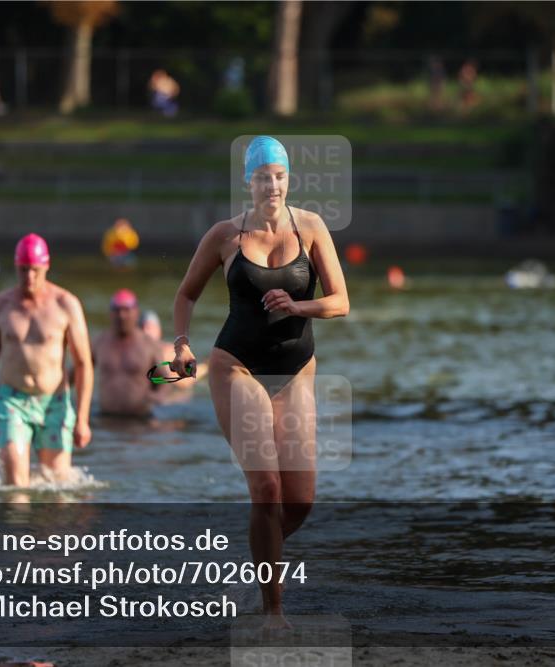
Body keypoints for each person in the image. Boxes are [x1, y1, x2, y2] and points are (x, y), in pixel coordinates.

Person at [171, 136, 349, 627]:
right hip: (238, 366)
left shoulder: (310, 227)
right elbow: (186, 295)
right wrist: (181, 344)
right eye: (263, 177)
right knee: (266, 488)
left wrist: (298, 305)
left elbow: (340, 302)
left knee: (300, 501)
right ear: (247, 182)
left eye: (280, 176)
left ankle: (256, 559)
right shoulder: (224, 236)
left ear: (289, 179)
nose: (272, 185)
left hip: (296, 371)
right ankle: (274, 613)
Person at [0, 234, 93, 487]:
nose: (29, 277)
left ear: (46, 267)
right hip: (12, 401)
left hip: (54, 402)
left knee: (57, 485)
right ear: (16, 267)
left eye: (35, 270)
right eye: (23, 270)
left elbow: (83, 364)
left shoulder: (66, 305)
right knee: (16, 485)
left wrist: (82, 418)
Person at [92, 289, 168, 418]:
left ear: (136, 312)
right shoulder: (99, 342)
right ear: (110, 313)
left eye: (126, 310)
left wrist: (158, 396)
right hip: (105, 419)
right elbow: (79, 370)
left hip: (140, 420)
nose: (121, 315)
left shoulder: (149, 344)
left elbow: (163, 379)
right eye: (117, 310)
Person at [140, 309, 207, 398]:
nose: (145, 331)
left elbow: (187, 380)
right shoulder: (134, 353)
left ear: (159, 330)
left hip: (174, 396)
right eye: (142, 328)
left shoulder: (169, 352)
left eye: (149, 327)